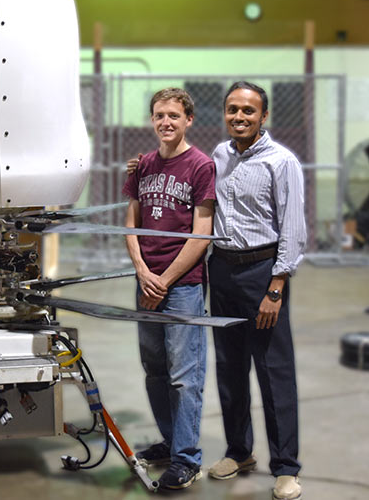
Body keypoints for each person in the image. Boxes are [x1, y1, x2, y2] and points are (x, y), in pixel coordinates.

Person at [206, 81, 305, 500]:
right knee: (229, 368)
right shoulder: (219, 155)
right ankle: (239, 451)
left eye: (249, 110)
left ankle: (285, 467)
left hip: (263, 272)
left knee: (273, 370)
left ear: (263, 116)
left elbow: (294, 229)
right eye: (233, 110)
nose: (240, 117)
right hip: (222, 270)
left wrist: (277, 286)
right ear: (225, 113)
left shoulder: (282, 162)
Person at [121, 88, 215, 490]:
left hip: (182, 287)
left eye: (174, 115)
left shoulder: (201, 166)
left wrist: (165, 279)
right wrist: (142, 270)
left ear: (188, 119)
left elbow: (202, 235)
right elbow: (131, 222)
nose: (166, 122)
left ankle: (187, 459)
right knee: (155, 371)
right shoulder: (142, 166)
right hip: (146, 282)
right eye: (159, 115)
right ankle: (171, 441)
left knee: (184, 376)